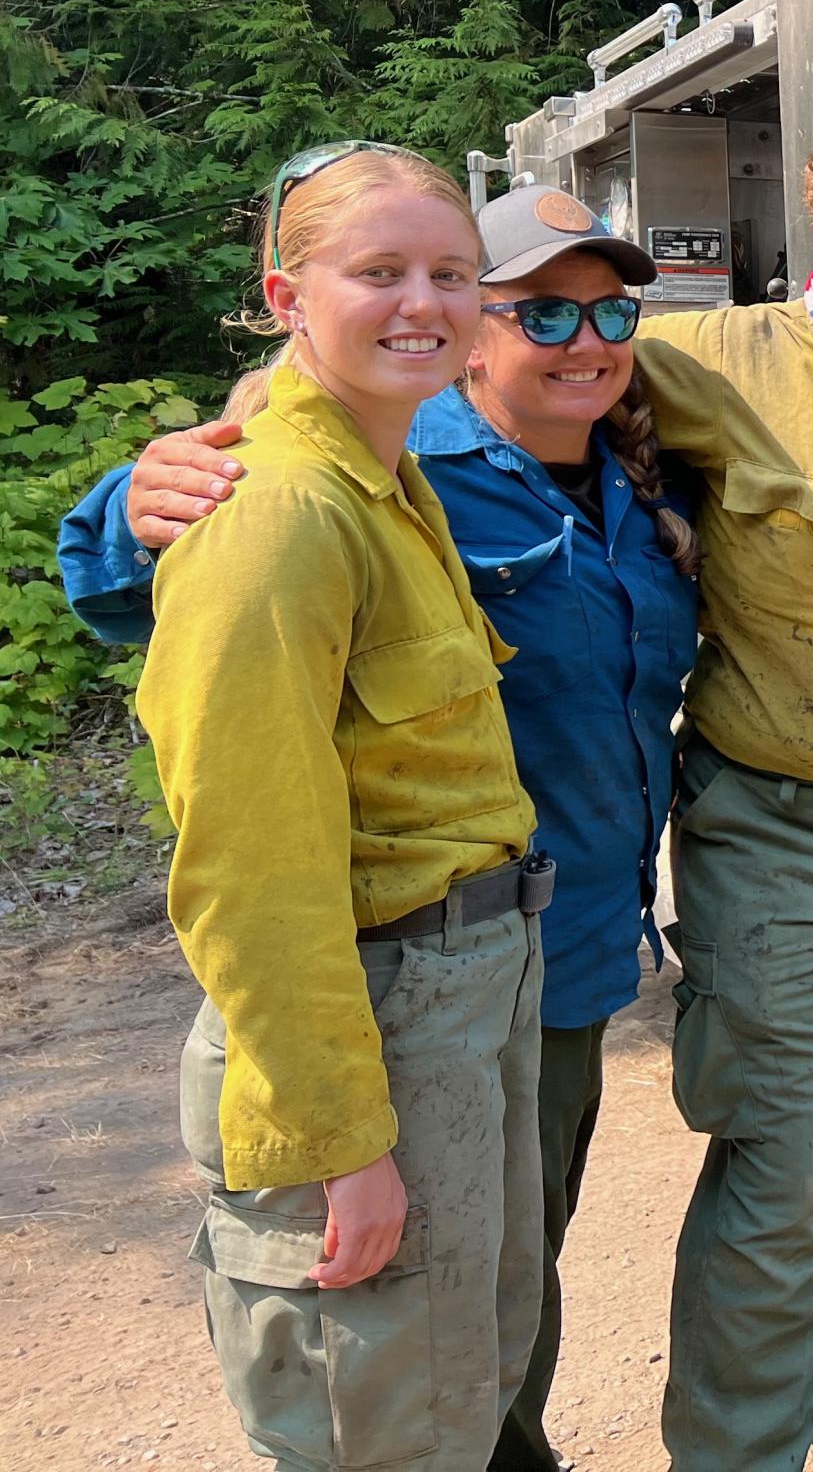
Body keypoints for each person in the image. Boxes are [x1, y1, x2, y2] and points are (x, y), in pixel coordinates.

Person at [110, 101, 813, 1472]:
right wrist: (130, 500)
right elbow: (286, 485)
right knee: (778, 1180)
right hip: (755, 846)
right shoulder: (686, 369)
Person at [64, 184, 705, 1470]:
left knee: (495, 1300)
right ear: (290, 301)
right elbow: (245, 831)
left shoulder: (610, 478)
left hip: (550, 956)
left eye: (611, 309)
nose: (582, 337)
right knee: (400, 1363)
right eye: (542, 310)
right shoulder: (314, 490)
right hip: (405, 982)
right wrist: (131, 501)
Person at [132, 143, 547, 1470]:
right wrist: (338, 1143)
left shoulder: (386, 472)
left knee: (447, 1392)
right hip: (374, 1019)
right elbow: (249, 868)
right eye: (378, 272)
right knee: (381, 1425)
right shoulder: (278, 514)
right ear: (283, 290)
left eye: (451, 274)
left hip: (457, 995)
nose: (422, 300)